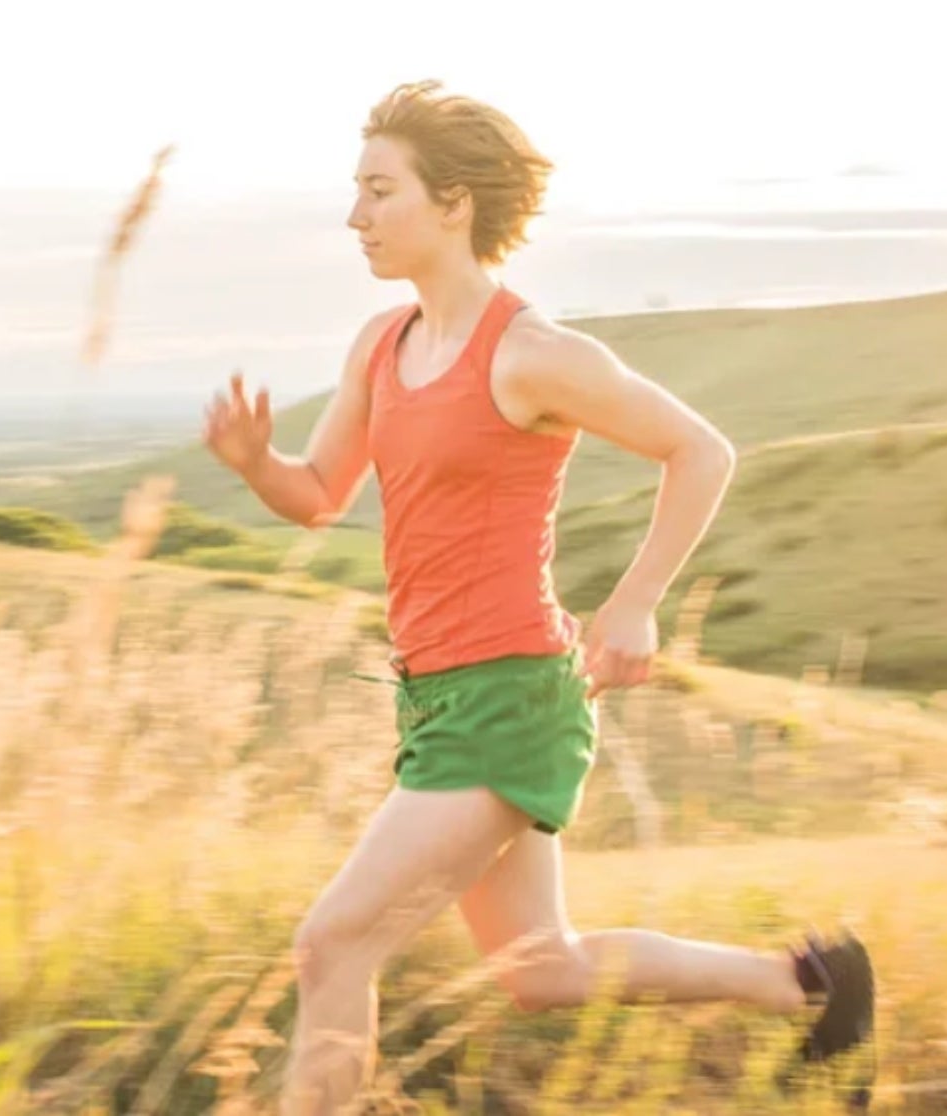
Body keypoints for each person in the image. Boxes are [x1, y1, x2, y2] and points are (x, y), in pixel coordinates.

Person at [201, 80, 875, 1113]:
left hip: (511, 695)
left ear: (454, 202)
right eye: (358, 192)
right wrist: (256, 463)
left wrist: (636, 602)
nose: (356, 217)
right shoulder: (380, 346)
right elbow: (317, 496)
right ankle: (812, 984)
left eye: (381, 192)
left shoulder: (533, 353)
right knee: (540, 971)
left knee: (332, 945)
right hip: (433, 696)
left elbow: (701, 450)